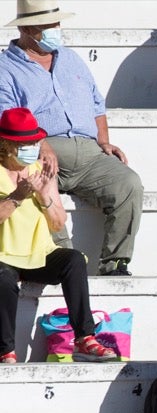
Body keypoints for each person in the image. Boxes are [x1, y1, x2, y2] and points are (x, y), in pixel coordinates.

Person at [0, 0, 142, 275]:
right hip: (38, 149)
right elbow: (7, 115)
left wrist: (104, 141)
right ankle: (61, 260)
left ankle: (115, 262)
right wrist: (42, 145)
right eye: (49, 25)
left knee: (129, 182)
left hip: (89, 150)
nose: (56, 29)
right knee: (35, 182)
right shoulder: (5, 68)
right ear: (28, 28)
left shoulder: (71, 58)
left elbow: (96, 104)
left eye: (57, 24)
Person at [0, 105, 115, 363]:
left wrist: (44, 197)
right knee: (3, 278)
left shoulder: (40, 170)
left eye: (34, 141)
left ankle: (85, 338)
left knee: (73, 260)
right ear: (7, 144)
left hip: (39, 252)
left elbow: (58, 222)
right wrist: (17, 197)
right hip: (4, 254)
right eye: (26, 143)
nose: (33, 147)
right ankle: (5, 350)